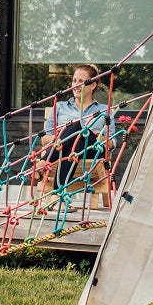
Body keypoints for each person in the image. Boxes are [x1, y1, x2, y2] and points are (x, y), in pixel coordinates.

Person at [35, 66, 112, 210]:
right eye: (74, 80)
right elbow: (45, 139)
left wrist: (98, 137)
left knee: (78, 126)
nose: (75, 85)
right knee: (76, 142)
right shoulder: (60, 107)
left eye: (81, 81)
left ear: (93, 85)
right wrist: (61, 135)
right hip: (67, 151)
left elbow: (112, 143)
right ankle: (58, 198)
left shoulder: (103, 110)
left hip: (93, 152)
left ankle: (42, 163)